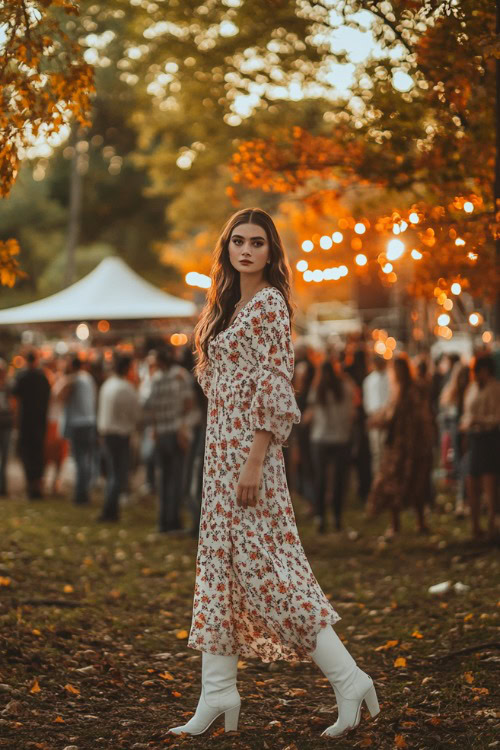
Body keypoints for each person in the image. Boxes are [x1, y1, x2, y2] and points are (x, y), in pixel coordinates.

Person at [169, 208, 380, 739]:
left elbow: (276, 384)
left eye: (257, 243)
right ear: (227, 249)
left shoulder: (267, 305)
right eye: (237, 241)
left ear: (271, 252)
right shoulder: (226, 306)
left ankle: (350, 679)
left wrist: (256, 459)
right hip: (220, 455)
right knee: (218, 567)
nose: (246, 250)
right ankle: (217, 692)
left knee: (272, 576)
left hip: (249, 456)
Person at [367, 354, 433, 536]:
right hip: (399, 445)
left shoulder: (413, 391)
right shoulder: (398, 391)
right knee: (394, 483)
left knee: (414, 483)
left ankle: (417, 522)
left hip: (411, 446)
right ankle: (397, 524)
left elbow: (412, 418)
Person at [144, 345, 195, 533]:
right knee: (176, 478)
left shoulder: (155, 379)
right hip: (175, 432)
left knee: (162, 478)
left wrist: (155, 429)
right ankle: (174, 520)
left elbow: (149, 406)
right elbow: (188, 403)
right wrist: (183, 426)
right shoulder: (180, 375)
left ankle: (163, 521)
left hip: (161, 434)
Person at [304, 356, 356, 533]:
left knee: (321, 479)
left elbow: (310, 413)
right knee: (339, 480)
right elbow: (353, 409)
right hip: (340, 439)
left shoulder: (318, 389)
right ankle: (337, 517)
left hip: (320, 438)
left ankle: (320, 517)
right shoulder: (344, 387)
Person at [460, 355, 500, 540]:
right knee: (472, 480)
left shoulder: (495, 388)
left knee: (489, 481)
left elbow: (496, 417)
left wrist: (479, 421)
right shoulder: (472, 388)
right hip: (473, 438)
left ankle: (492, 523)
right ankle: (474, 525)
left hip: (489, 438)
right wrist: (466, 424)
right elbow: (466, 412)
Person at [97, 354, 140, 522]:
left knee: (112, 472)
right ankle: (110, 510)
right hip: (120, 434)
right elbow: (136, 414)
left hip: (106, 433)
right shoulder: (126, 388)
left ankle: (110, 509)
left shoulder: (107, 385)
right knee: (118, 474)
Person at [11, 350, 51, 499]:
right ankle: (37, 485)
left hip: (25, 422)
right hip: (40, 421)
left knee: (27, 454)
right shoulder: (43, 377)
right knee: (38, 454)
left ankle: (30, 485)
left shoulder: (22, 376)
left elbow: (15, 400)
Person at [60, 355, 97, 505]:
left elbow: (59, 395)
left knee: (80, 459)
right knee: (86, 459)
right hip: (89, 422)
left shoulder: (74, 379)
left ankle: (81, 494)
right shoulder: (88, 379)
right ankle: (85, 490)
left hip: (78, 424)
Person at [362, 355, 390, 478]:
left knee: (386, 450)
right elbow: (368, 401)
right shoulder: (369, 380)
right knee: (376, 451)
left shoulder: (389, 378)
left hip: (386, 418)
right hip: (374, 417)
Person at [0, 358, 14, 497]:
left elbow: (14, 403)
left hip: (6, 424)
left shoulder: (9, 385)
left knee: (5, 457)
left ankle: (3, 487)